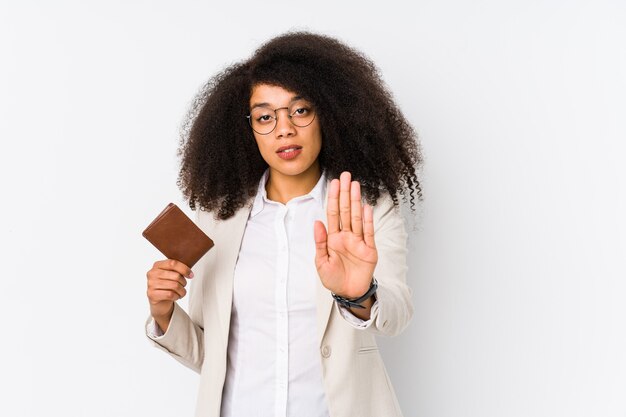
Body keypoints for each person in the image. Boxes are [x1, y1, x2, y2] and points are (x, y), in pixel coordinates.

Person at [145, 31, 423, 417]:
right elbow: (212, 357)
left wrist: (359, 296)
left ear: (328, 113)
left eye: (300, 110)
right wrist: (163, 313)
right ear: (247, 129)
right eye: (264, 117)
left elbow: (397, 314)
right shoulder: (218, 218)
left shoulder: (368, 209)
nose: (284, 129)